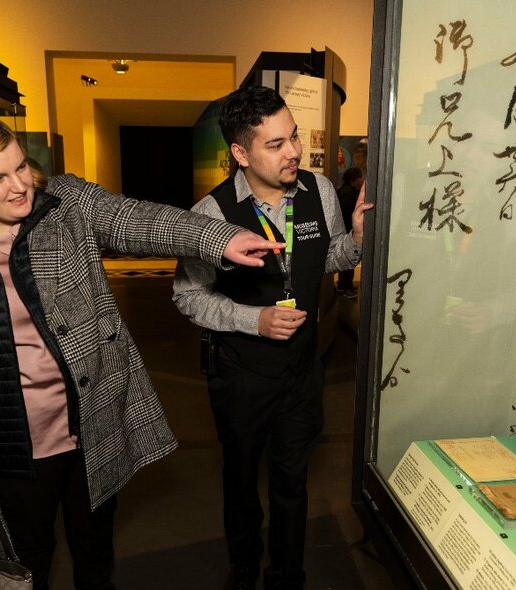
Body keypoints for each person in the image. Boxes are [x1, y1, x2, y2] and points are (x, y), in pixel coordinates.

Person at [0, 114, 283, 590]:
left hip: (89, 423)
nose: (20, 186)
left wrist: (219, 238)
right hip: (6, 442)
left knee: (94, 549)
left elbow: (138, 219)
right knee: (25, 560)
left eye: (21, 168)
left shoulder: (64, 203)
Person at [172, 86, 373, 590]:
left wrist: (355, 244)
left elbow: (322, 262)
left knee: (292, 480)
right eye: (276, 144)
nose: (294, 153)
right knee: (241, 477)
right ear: (241, 153)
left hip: (302, 370)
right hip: (240, 373)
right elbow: (187, 297)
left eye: (295, 137)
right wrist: (252, 319)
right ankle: (244, 561)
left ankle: (287, 575)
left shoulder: (319, 190)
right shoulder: (211, 213)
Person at [335, 167, 364, 298]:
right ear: (354, 179)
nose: (362, 180)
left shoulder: (342, 190)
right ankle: (347, 287)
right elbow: (348, 214)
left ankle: (343, 285)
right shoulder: (349, 194)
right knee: (349, 258)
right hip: (348, 230)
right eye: (360, 178)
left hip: (342, 230)